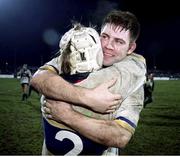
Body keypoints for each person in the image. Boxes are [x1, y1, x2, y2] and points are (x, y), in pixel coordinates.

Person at [31, 10, 146, 155]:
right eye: (105, 37)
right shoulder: (80, 54)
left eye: (118, 41)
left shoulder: (131, 79)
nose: (108, 46)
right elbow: (38, 79)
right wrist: (88, 97)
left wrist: (67, 115)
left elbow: (120, 136)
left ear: (131, 48)